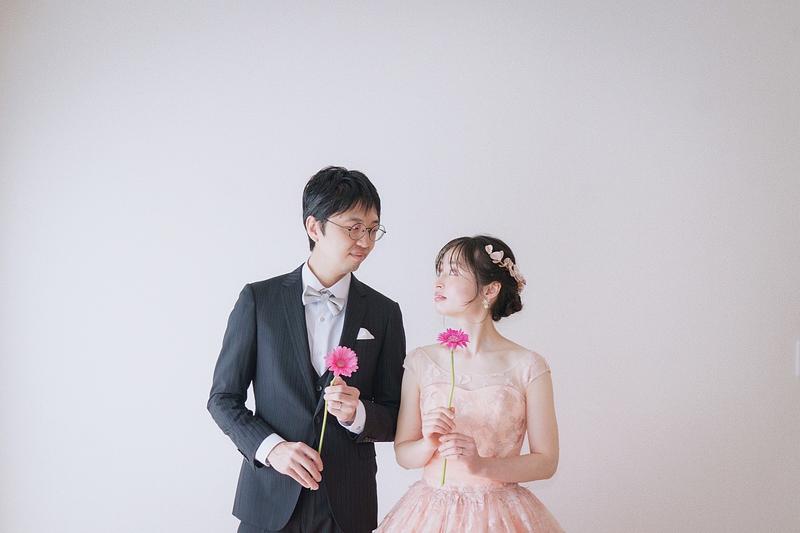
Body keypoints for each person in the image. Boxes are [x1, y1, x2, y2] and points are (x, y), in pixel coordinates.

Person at [208, 166, 406, 533]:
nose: (365, 241)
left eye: (372, 229)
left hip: (347, 509)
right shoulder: (259, 300)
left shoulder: (384, 313)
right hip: (268, 502)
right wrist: (272, 449)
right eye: (353, 227)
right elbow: (223, 399)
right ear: (314, 227)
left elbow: (396, 414)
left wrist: (358, 414)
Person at [377, 235, 564, 532]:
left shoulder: (529, 365)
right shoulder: (420, 361)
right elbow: (404, 454)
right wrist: (429, 442)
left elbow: (546, 461)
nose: (439, 282)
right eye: (439, 272)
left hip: (499, 516)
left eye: (453, 272)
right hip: (430, 515)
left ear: (490, 289)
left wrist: (481, 466)